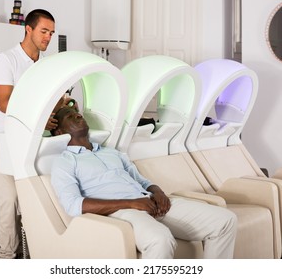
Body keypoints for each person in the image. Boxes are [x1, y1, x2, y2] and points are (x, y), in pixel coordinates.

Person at [51, 107, 238, 259]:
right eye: (69, 115)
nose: (77, 114)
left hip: (149, 200)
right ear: (59, 131)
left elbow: (142, 180)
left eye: (78, 113)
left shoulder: (111, 152)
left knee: (226, 221)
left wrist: (158, 193)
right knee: (160, 239)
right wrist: (131, 203)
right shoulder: (64, 162)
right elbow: (73, 205)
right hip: (121, 212)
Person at [0, 9, 68, 259]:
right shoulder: (7, 60)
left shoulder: (46, 65)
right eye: (44, 31)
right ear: (29, 29)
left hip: (35, 141)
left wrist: (64, 105)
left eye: (51, 33)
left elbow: (52, 101)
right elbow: (5, 103)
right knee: (8, 201)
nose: (48, 37)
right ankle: (6, 257)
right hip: (6, 141)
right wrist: (42, 116)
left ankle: (34, 254)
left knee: (32, 201)